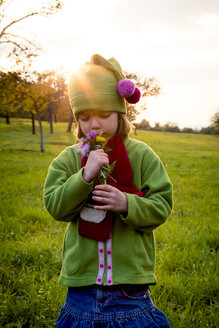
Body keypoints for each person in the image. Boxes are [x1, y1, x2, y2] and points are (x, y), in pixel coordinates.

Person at [44, 54, 173, 327]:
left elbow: (161, 205)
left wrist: (127, 203)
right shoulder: (68, 159)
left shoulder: (142, 156)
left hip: (131, 291)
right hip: (81, 289)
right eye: (85, 117)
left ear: (121, 113)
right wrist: (84, 177)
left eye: (104, 114)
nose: (95, 124)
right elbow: (55, 206)